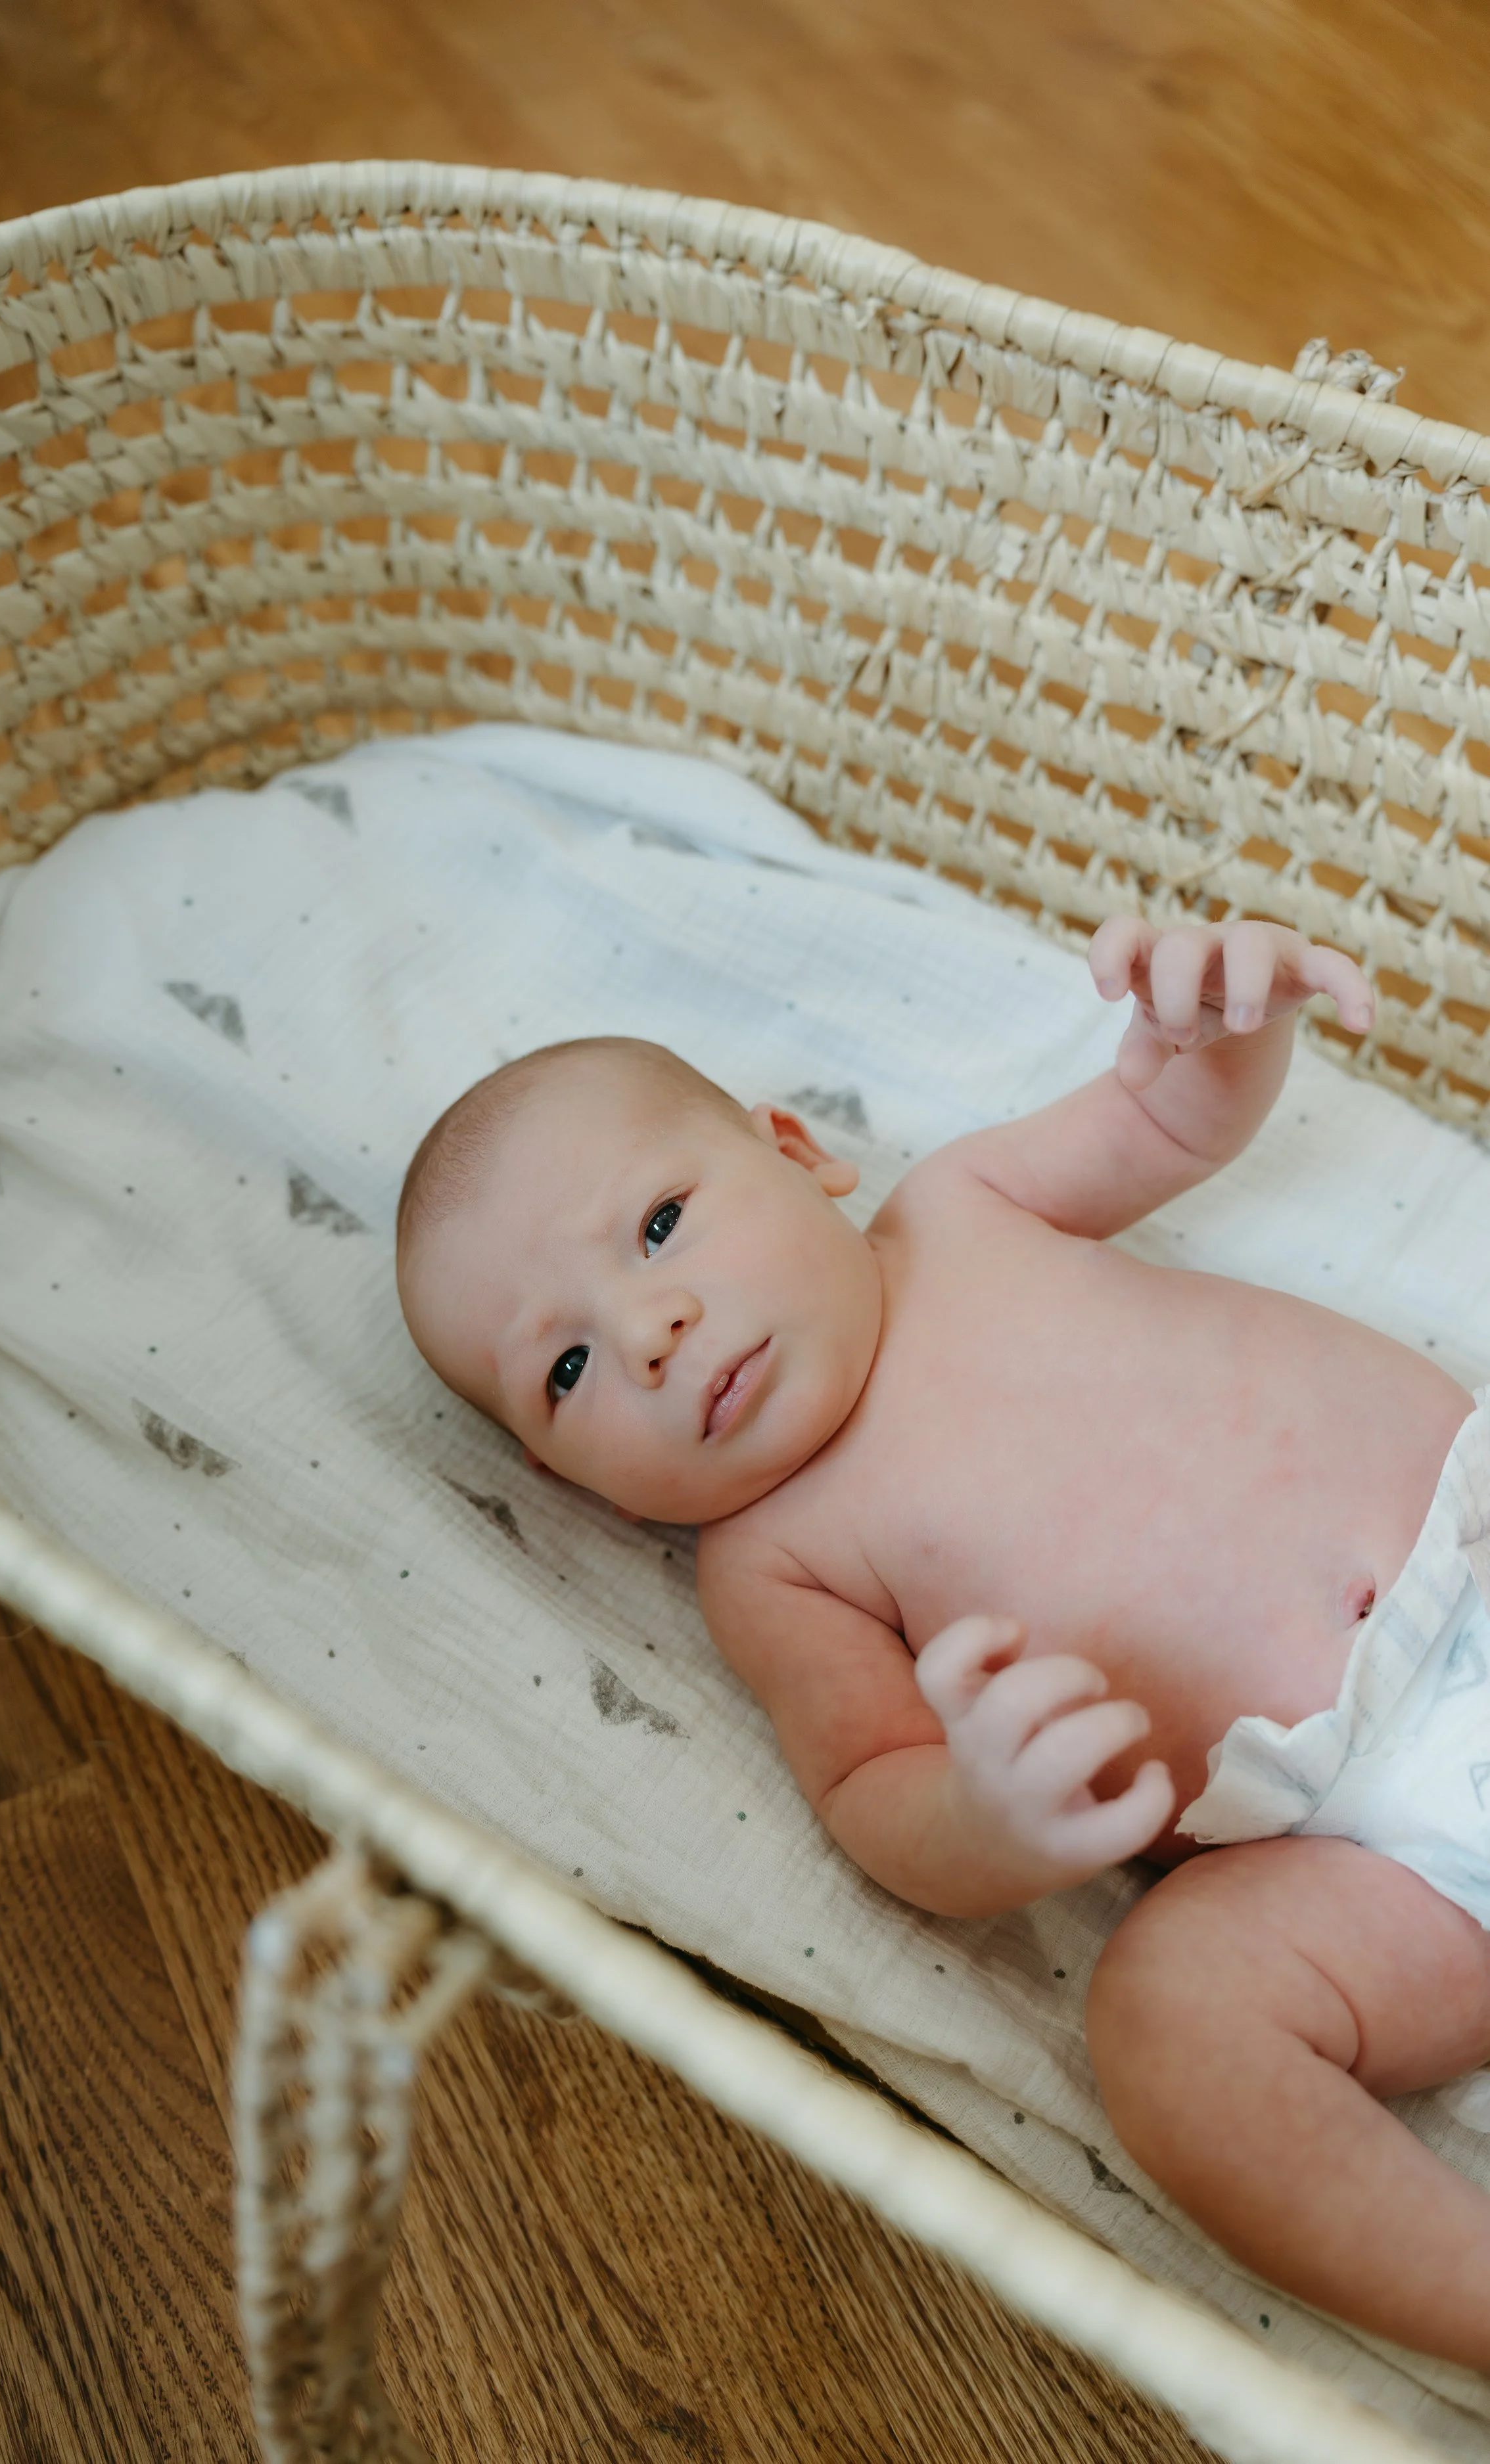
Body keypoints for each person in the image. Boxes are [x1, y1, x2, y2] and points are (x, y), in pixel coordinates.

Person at [395, 915, 1490, 2369]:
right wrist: (987, 1812)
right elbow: (873, 1796)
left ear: (793, 1150)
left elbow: (1164, 1115)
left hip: (1465, 1539)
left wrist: (1223, 1023)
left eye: (657, 1227)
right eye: (568, 1369)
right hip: (1367, 1858)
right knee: (1164, 2028)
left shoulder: (959, 1207)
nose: (649, 1331)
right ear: (563, 1478)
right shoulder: (772, 1566)